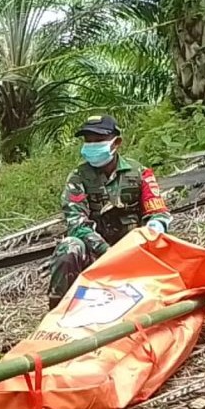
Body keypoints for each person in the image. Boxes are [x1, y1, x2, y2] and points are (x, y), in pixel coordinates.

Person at [47, 115, 172, 309]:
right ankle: (58, 310)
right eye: (88, 141)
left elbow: (158, 212)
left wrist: (153, 230)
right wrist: (108, 252)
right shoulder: (78, 178)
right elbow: (76, 223)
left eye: (98, 141)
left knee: (165, 245)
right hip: (96, 253)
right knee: (69, 246)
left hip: (134, 251)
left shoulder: (140, 173)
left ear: (117, 143)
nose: (92, 146)